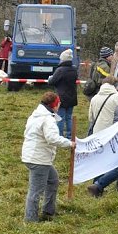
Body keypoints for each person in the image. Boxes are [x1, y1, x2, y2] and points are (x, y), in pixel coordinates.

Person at [21, 92, 75, 222]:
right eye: (58, 103)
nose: (60, 105)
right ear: (54, 104)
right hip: (39, 159)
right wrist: (70, 143)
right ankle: (30, 219)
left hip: (34, 156)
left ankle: (48, 211)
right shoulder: (47, 119)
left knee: (53, 180)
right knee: (36, 190)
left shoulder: (35, 115)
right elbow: (52, 138)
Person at [48, 49, 78, 138]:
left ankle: (59, 136)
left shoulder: (60, 70)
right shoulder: (74, 69)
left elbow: (52, 82)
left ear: (63, 59)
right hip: (72, 96)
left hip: (61, 97)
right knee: (69, 117)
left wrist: (50, 78)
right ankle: (70, 136)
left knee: (60, 117)